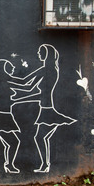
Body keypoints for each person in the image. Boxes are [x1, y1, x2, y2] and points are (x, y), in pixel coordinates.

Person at [11, 44, 77, 173]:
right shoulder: (52, 69)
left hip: (46, 110)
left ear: (46, 54)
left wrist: (8, 84)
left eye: (40, 52)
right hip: (46, 107)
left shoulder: (45, 69)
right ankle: (45, 165)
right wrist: (19, 97)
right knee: (42, 138)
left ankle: (45, 165)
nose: (38, 54)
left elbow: (26, 84)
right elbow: (35, 90)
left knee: (40, 138)